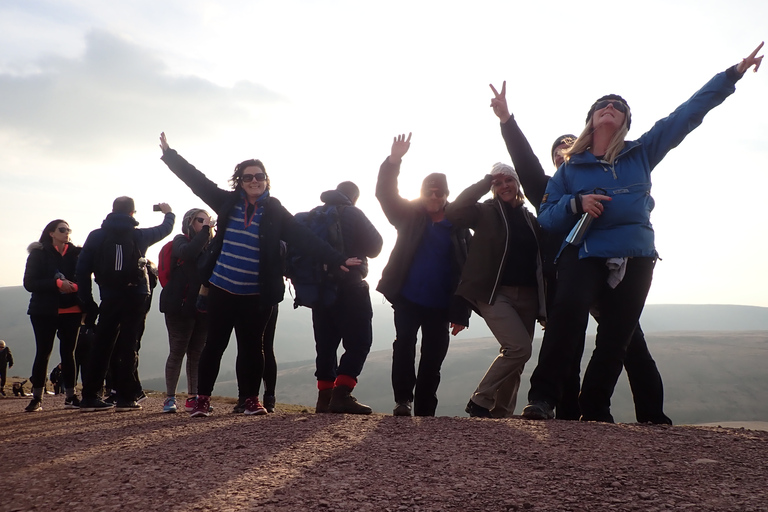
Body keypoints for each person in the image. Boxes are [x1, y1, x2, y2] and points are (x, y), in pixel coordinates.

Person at [522, 43, 764, 423]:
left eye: (619, 106)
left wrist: (732, 74)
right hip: (584, 253)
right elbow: (547, 218)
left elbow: (688, 113)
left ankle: (595, 408)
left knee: (617, 336)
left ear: (625, 123)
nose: (610, 106)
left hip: (635, 255)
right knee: (568, 316)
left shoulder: (642, 152)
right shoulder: (569, 170)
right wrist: (576, 203)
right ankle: (542, 399)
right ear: (590, 119)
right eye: (603, 104)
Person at [489, 82, 672, 424]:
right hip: (571, 270)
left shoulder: (601, 170)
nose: (563, 153)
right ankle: (567, 415)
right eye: (557, 152)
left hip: (612, 262)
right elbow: (525, 162)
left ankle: (648, 413)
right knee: (567, 340)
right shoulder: (553, 185)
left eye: (567, 148)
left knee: (627, 340)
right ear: (555, 161)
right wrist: (507, 120)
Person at [159, 132, 361, 417]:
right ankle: (201, 399)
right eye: (247, 177)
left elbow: (304, 237)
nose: (254, 180)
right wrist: (170, 155)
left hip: (257, 293)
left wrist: (338, 259)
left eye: (259, 176)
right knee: (214, 344)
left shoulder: (275, 210)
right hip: (222, 288)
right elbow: (197, 181)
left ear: (267, 180)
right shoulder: (228, 203)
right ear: (239, 182)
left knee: (253, 348)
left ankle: (251, 400)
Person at [376, 133, 472, 417]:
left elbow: (466, 270)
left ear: (446, 195)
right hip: (407, 297)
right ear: (422, 193)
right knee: (404, 343)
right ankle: (403, 401)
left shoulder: (459, 228)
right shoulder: (408, 215)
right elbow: (385, 193)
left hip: (441, 305)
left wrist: (461, 312)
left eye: (439, 192)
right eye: (429, 191)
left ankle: (426, 410)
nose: (433, 196)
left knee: (433, 357)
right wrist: (394, 161)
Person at [445, 163, 547, 418]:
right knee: (519, 348)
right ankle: (480, 400)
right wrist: (485, 180)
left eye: (508, 181)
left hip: (529, 296)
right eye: (498, 182)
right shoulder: (484, 212)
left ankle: (502, 415)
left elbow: (540, 262)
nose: (504, 186)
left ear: (517, 184)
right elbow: (454, 212)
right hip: (495, 293)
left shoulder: (530, 219)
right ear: (493, 186)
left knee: (516, 358)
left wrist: (545, 306)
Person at [77, 197, 175, 412]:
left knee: (102, 344)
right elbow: (165, 229)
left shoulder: (96, 236)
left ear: (112, 211)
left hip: (109, 297)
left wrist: (87, 301)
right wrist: (169, 213)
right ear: (133, 213)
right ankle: (125, 397)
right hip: (136, 295)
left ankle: (91, 396)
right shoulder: (139, 235)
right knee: (129, 344)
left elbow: (82, 270)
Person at [309, 181, 383, 414]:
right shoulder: (352, 212)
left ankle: (324, 397)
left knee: (326, 344)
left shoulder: (313, 215)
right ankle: (342, 394)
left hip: (320, 290)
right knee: (359, 342)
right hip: (350, 287)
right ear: (354, 197)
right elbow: (376, 246)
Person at [22, 220, 82, 412]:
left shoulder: (76, 254)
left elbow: (84, 278)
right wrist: (56, 284)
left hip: (72, 310)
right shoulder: (38, 254)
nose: (67, 233)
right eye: (62, 230)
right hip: (44, 311)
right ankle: (37, 398)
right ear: (51, 233)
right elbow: (30, 283)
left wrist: (74, 287)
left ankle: (71, 397)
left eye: (68, 230)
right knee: (43, 353)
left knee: (69, 355)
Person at [158, 208, 213, 413]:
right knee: (177, 352)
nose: (205, 224)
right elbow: (189, 253)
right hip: (178, 307)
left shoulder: (211, 246)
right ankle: (170, 398)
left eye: (208, 221)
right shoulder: (181, 241)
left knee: (197, 354)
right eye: (201, 221)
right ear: (190, 222)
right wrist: (206, 231)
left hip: (202, 307)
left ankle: (193, 397)